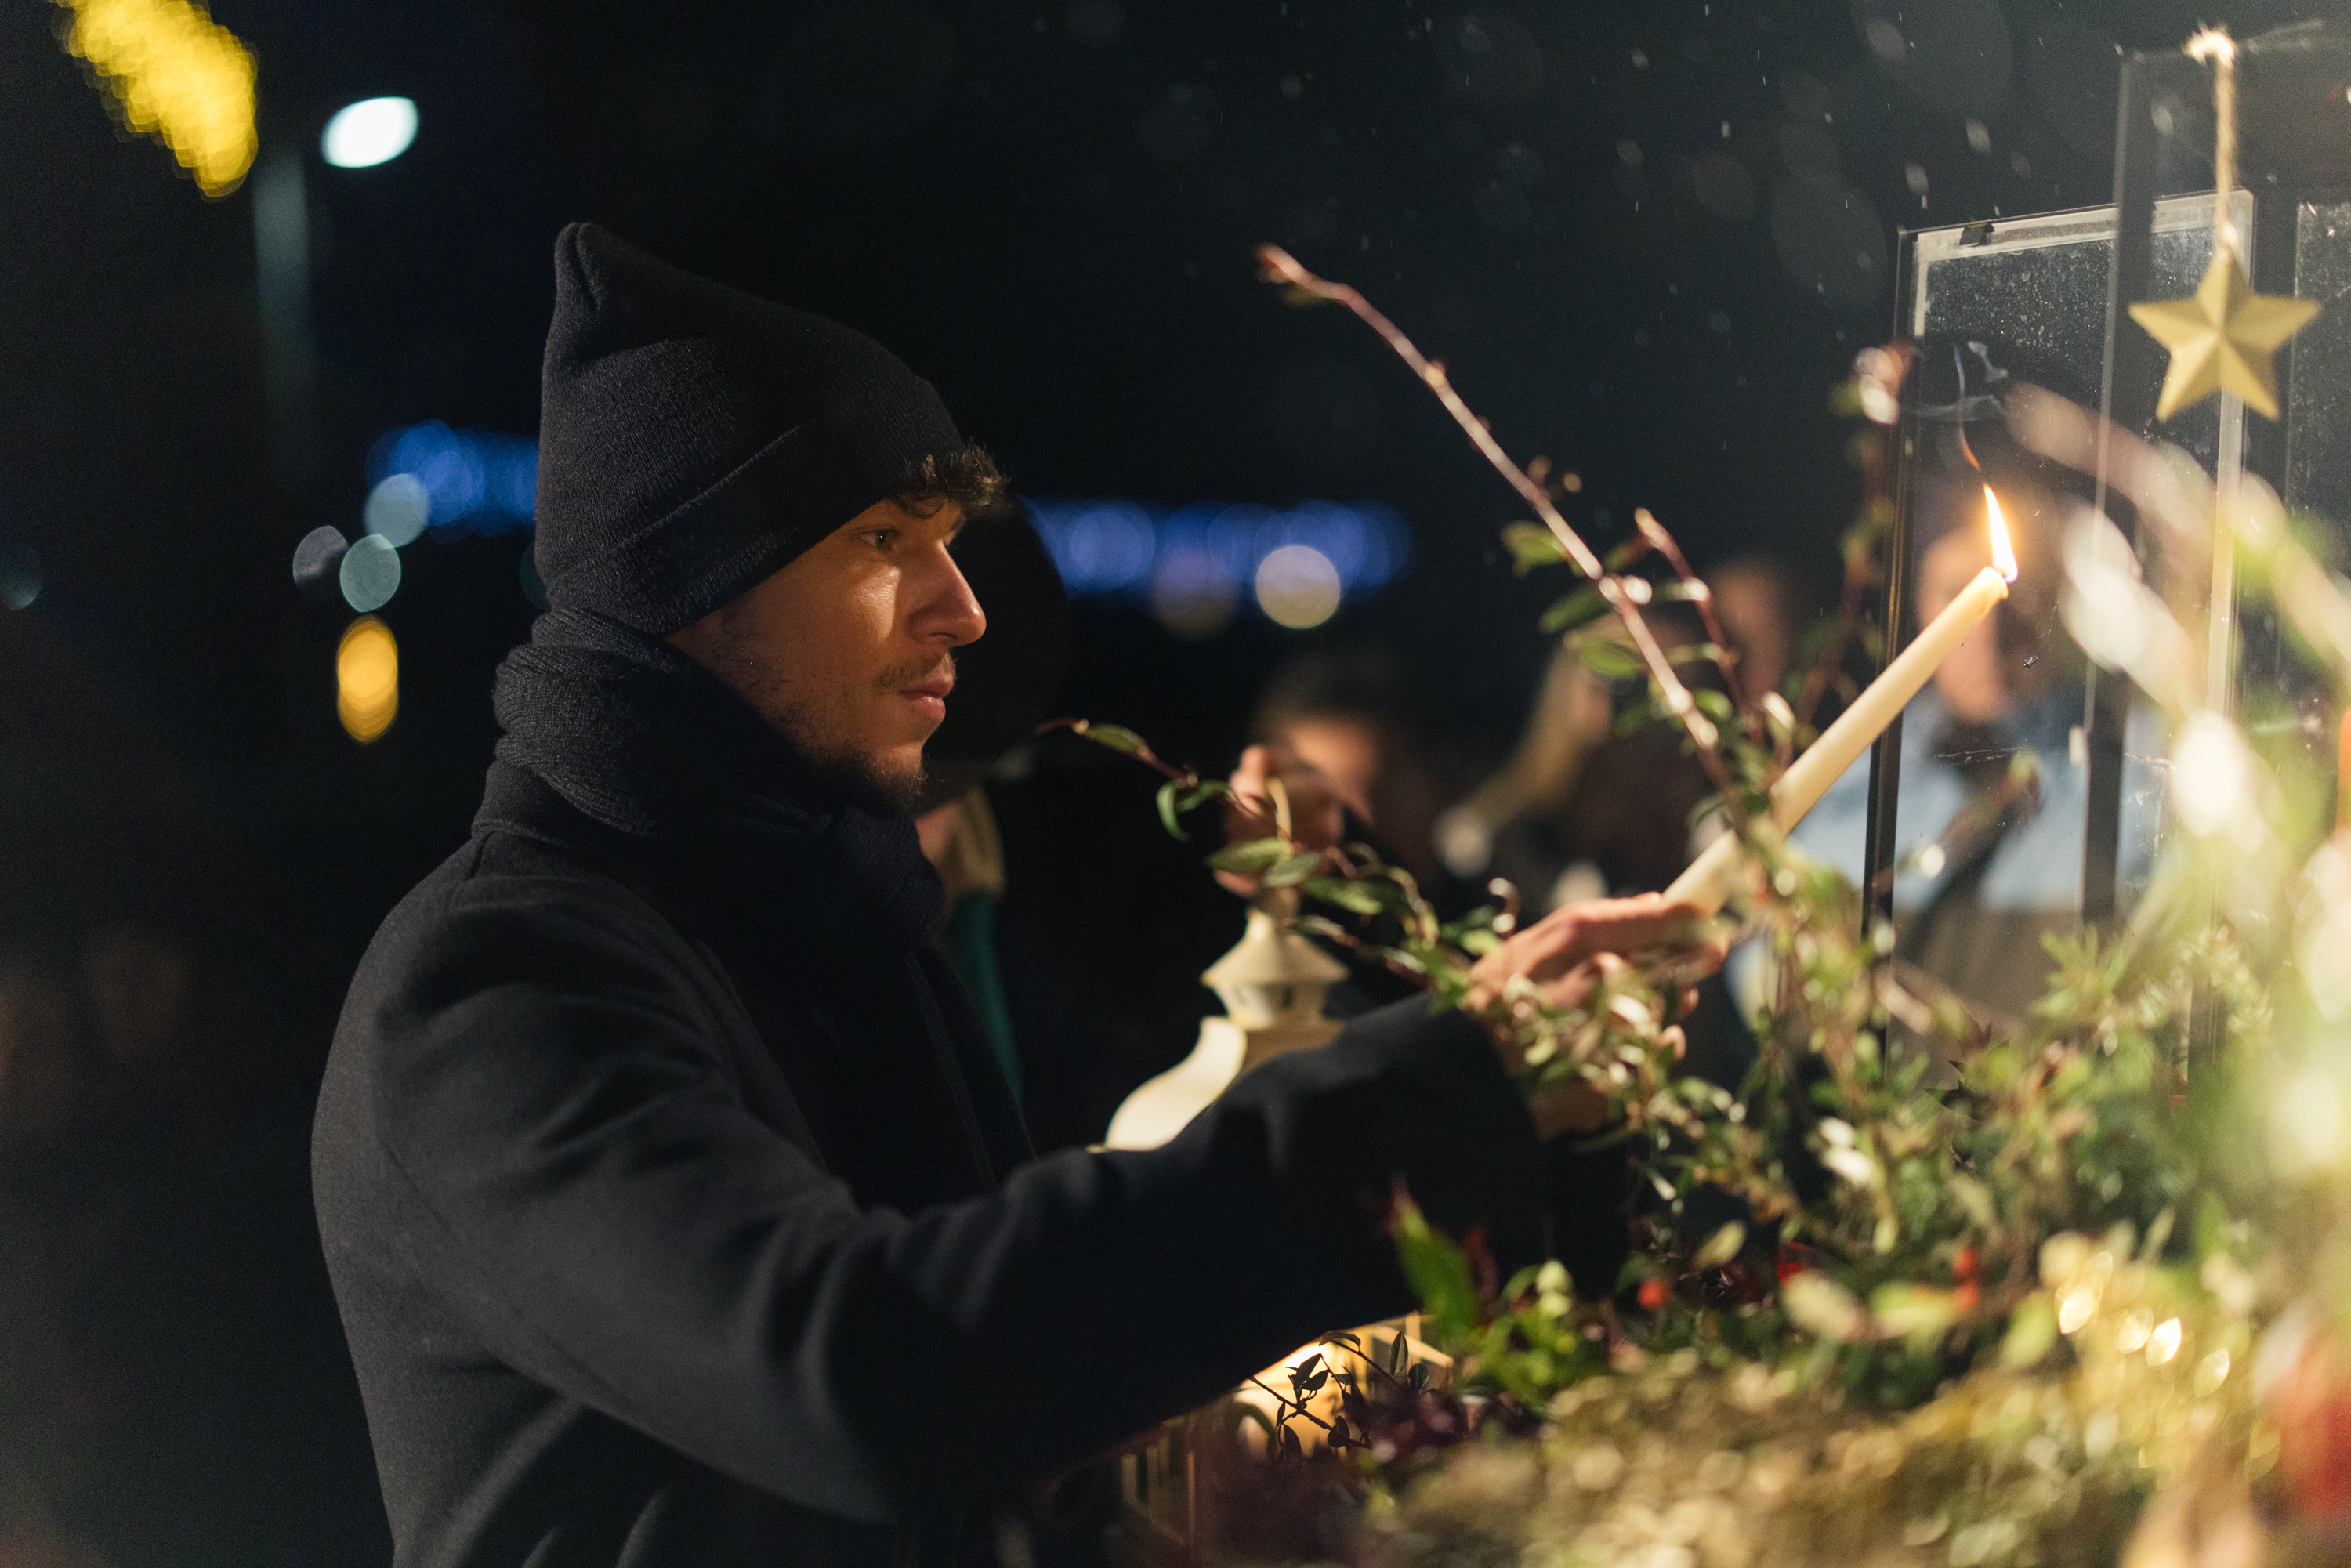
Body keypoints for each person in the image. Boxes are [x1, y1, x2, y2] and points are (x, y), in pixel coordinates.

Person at [311, 225, 1712, 1568]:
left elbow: (1001, 1411)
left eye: (950, 537)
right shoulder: (500, 984)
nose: (965, 609)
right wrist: (1433, 1093)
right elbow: (851, 1368)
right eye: (883, 540)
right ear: (694, 582)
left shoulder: (836, 924)